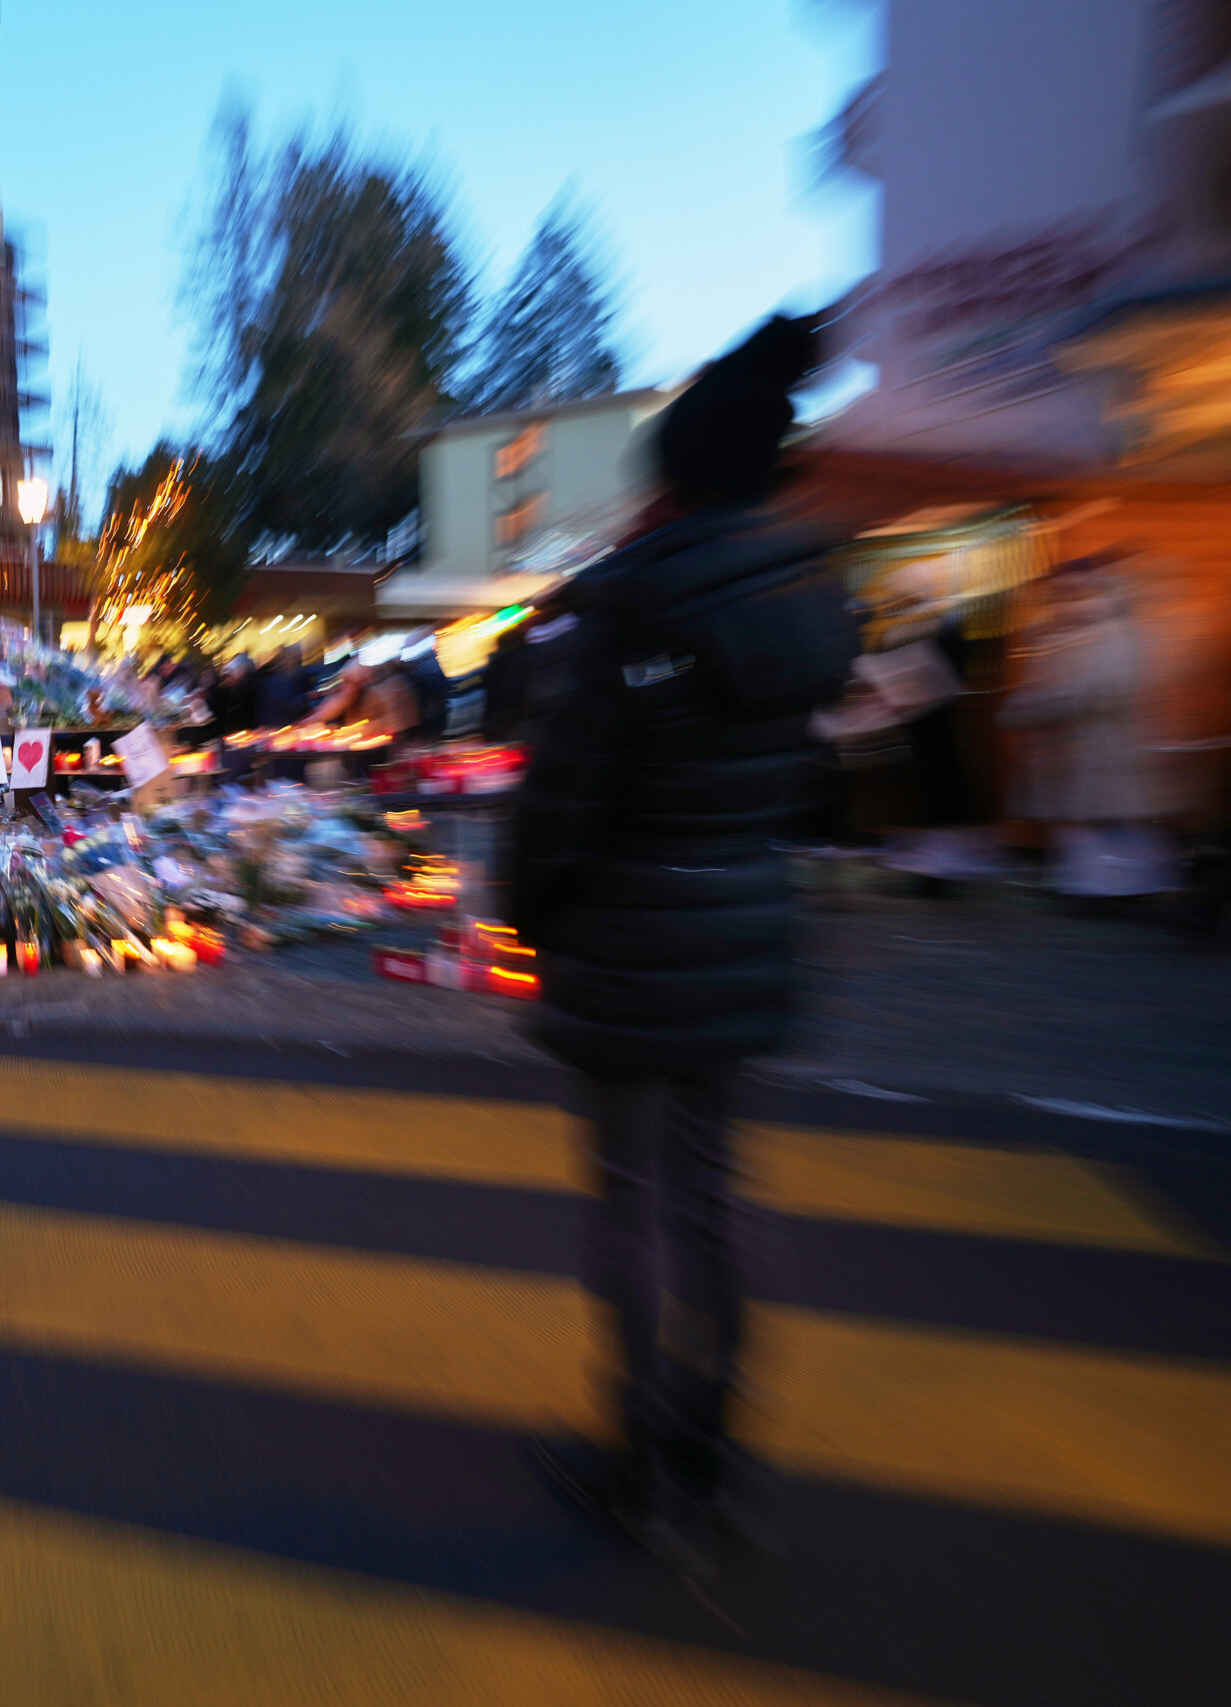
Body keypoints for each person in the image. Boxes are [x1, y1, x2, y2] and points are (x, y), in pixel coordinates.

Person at [507, 315, 855, 1574]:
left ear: (676, 475)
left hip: (627, 924)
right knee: (714, 1192)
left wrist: (527, 912)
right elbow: (813, 786)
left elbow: (564, 795)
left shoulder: (631, 602)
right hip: (747, 916)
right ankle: (723, 1452)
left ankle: (641, 1466)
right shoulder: (810, 594)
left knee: (626, 1196)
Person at [1001, 551, 1176, 907]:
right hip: (1067, 748)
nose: (1067, 602)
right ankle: (1096, 884)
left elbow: (1101, 691)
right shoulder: (1055, 635)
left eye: (1077, 594)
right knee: (1085, 820)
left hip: (1103, 746)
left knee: (1107, 819)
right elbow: (1045, 686)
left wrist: (1038, 707)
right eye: (1061, 594)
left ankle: (1117, 887)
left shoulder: (1113, 635)